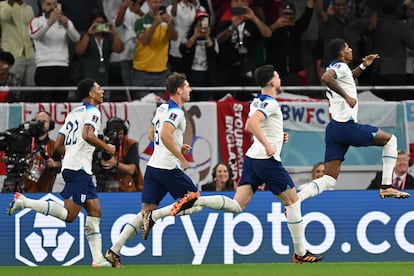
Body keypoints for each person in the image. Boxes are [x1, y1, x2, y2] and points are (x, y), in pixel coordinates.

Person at [171, 65, 324, 264]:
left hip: (252, 159)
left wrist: (277, 136)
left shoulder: (257, 101)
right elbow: (250, 125)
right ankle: (300, 253)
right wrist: (269, 144)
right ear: (272, 82)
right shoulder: (270, 103)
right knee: (293, 202)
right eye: (278, 76)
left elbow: (260, 124)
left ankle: (197, 199)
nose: (280, 79)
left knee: (237, 205)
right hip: (266, 161)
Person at [105, 72, 242, 268]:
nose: (190, 89)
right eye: (187, 86)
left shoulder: (162, 108)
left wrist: (178, 145)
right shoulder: (176, 112)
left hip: (153, 167)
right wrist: (180, 156)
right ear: (179, 90)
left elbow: (153, 135)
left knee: (144, 213)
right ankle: (156, 216)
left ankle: (114, 250)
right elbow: (165, 134)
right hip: (168, 168)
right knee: (196, 201)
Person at [7, 79, 116, 268]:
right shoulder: (93, 112)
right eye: (98, 88)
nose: (102, 91)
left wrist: (71, 154)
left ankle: (97, 258)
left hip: (75, 167)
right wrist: (108, 148)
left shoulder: (74, 113)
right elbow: (88, 135)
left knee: (95, 210)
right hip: (79, 169)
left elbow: (58, 145)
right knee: (69, 215)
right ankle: (24, 201)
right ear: (91, 94)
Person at [298, 38, 410, 203]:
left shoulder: (340, 69)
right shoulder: (339, 66)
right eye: (348, 48)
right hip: (346, 127)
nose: (351, 50)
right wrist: (347, 97)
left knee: (329, 180)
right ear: (342, 53)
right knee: (390, 140)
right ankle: (386, 186)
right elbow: (326, 78)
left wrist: (364, 66)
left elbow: (348, 78)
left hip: (334, 129)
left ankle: (296, 199)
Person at [29, 0, 81, 102]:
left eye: (54, 4)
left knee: (61, 102)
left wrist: (67, 25)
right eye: (48, 4)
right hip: (44, 66)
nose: (52, 7)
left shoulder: (65, 21)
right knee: (45, 102)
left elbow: (76, 38)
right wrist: (49, 23)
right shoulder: (36, 21)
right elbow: (35, 35)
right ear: (42, 6)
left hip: (63, 66)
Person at [130, 0, 178, 100]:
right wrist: (155, 24)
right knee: (142, 107)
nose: (158, 5)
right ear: (148, 3)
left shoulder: (167, 20)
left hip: (161, 72)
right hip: (142, 72)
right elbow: (144, 41)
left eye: (160, 2)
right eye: (155, 2)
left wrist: (169, 24)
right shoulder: (140, 22)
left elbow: (174, 37)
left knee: (160, 107)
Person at [93, 117, 143, 192]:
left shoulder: (131, 144)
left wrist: (115, 164)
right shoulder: (102, 144)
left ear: (125, 132)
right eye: (114, 134)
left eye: (120, 134)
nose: (118, 137)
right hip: (104, 185)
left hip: (127, 187)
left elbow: (131, 170)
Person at [74, 12, 124, 88]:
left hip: (104, 79)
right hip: (86, 78)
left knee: (104, 99)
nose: (100, 25)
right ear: (92, 23)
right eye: (97, 22)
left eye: (102, 23)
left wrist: (115, 34)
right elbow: (79, 51)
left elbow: (119, 49)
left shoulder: (107, 38)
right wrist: (89, 33)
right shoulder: (84, 36)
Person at [179, 10, 218, 101]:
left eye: (204, 25)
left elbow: (214, 54)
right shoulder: (187, 38)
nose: (202, 27)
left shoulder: (212, 39)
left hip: (205, 76)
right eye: (199, 24)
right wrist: (195, 36)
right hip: (190, 75)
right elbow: (183, 50)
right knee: (189, 102)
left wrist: (207, 36)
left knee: (204, 103)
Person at [20, 111, 62, 193]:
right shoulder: (24, 143)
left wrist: (54, 164)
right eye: (38, 121)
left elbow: (59, 166)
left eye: (44, 122)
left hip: (43, 194)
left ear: (51, 125)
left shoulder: (55, 146)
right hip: (22, 192)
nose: (41, 124)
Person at [0, 0, 36, 91]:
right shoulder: (2, 5)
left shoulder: (29, 8)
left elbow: (32, 30)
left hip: (30, 54)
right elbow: (4, 17)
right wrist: (10, 3)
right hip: (13, 54)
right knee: (13, 89)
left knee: (31, 90)